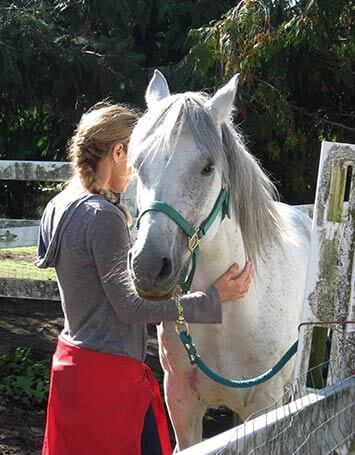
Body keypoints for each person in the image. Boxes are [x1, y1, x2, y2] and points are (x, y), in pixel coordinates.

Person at [36, 101, 253, 455]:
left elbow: (88, 275)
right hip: (109, 379)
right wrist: (212, 299)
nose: (137, 175)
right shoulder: (103, 216)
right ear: (119, 152)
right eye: (137, 162)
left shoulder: (57, 206)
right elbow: (131, 308)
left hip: (71, 367)